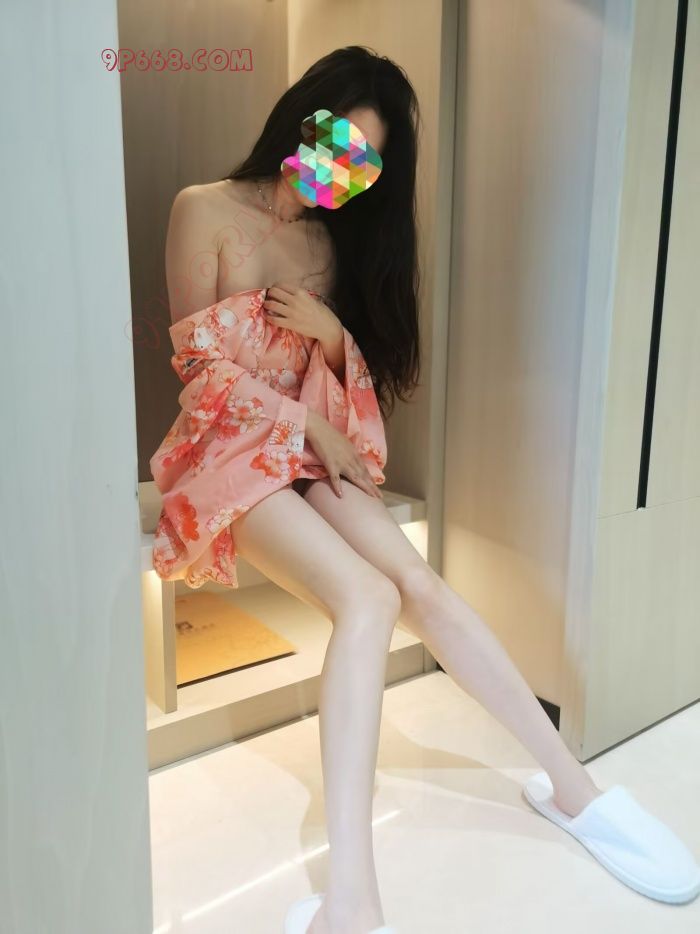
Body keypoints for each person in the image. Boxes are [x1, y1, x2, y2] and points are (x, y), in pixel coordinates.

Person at [154, 45, 699, 934]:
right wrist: (311, 428)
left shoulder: (327, 244)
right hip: (227, 449)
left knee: (421, 586)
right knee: (367, 597)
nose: (344, 172)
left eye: (365, 163)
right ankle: (353, 896)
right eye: (338, 142)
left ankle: (576, 789)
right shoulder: (203, 208)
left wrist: (333, 338)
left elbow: (338, 371)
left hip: (305, 445)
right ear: (304, 117)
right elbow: (198, 371)